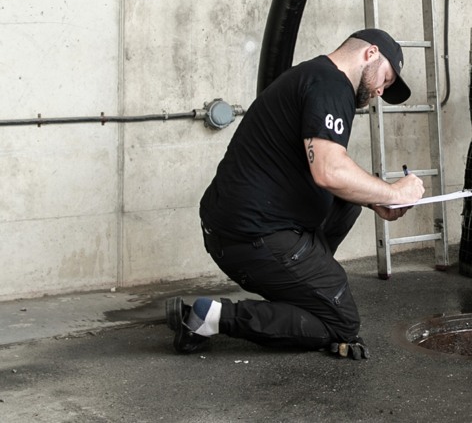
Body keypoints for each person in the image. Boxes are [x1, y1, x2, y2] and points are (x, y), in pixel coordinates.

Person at [166, 28, 426, 360]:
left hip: (238, 229)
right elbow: (329, 171)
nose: (378, 90)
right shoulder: (332, 85)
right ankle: (213, 317)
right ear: (370, 54)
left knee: (350, 203)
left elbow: (330, 170)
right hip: (253, 237)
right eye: (385, 80)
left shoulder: (314, 76)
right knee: (342, 323)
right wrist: (393, 190)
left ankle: (306, 291)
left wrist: (377, 199)